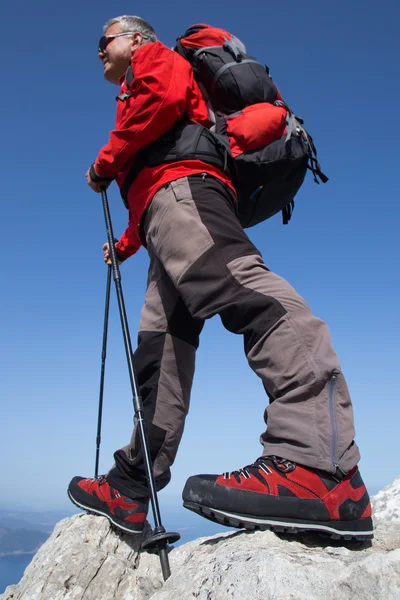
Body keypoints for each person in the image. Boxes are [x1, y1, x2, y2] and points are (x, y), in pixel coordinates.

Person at [68, 15, 373, 540]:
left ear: (135, 38)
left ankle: (322, 466)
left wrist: (104, 161)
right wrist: (124, 246)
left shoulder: (154, 58)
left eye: (105, 40)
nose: (99, 51)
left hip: (186, 196)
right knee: (160, 351)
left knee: (244, 290)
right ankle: (132, 484)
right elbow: (150, 176)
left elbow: (162, 113)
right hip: (166, 212)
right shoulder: (137, 81)